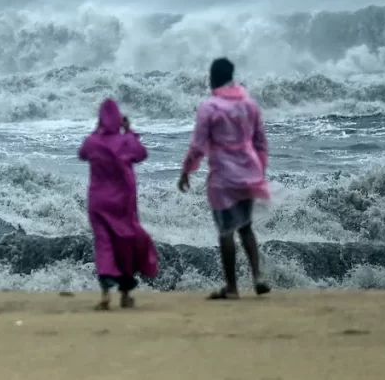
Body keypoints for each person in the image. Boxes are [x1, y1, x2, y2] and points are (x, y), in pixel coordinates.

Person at [179, 57, 272, 300]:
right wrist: (259, 171)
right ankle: (258, 277)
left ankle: (231, 288)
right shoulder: (249, 105)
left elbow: (198, 146)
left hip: (223, 177)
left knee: (226, 231)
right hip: (249, 172)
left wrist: (186, 171)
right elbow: (261, 142)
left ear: (212, 78)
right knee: (246, 227)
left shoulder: (209, 107)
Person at [78, 98, 159, 310]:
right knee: (125, 245)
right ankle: (124, 295)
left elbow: (82, 154)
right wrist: (129, 130)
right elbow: (142, 154)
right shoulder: (125, 142)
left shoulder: (93, 141)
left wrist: (98, 131)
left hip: (98, 202)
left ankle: (105, 293)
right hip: (122, 203)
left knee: (103, 244)